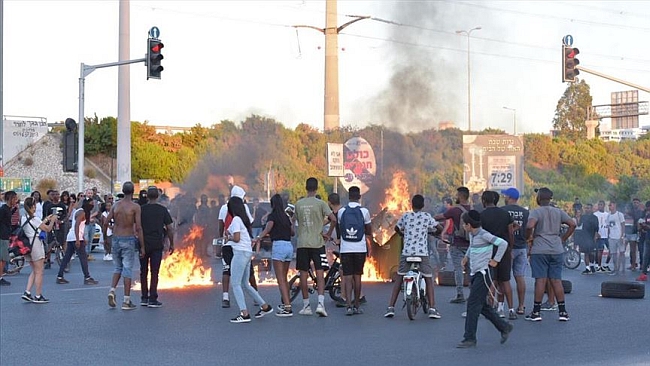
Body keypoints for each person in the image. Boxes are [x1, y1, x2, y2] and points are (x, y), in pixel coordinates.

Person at [456, 210, 513, 348]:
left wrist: (495, 260)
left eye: (464, 224)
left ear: (469, 225)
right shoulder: (473, 234)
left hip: (484, 273)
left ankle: (469, 338)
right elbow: (471, 246)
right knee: (482, 306)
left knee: (473, 305)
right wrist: (467, 257)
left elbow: (503, 244)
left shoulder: (484, 235)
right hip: (475, 273)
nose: (463, 226)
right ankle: (504, 327)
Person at [384, 194, 442, 319]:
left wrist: (402, 234)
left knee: (399, 278)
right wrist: (434, 232)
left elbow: (396, 228)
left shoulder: (406, 216)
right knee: (428, 278)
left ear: (411, 204)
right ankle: (432, 308)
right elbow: (439, 227)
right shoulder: (426, 216)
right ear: (423, 206)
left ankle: (390, 307)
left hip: (407, 253)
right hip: (422, 253)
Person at [524, 187, 575, 322]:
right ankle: (563, 312)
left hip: (540, 249)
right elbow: (572, 224)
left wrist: (528, 237)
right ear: (550, 199)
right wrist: (562, 238)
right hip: (556, 249)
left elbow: (530, 226)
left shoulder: (536, 212)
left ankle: (536, 312)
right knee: (556, 280)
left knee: (540, 280)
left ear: (539, 198)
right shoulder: (559, 212)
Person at [294, 177, 337, 317]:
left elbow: (294, 222)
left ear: (306, 188)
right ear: (316, 188)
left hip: (302, 244)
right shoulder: (321, 204)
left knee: (303, 274)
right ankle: (320, 304)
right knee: (320, 272)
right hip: (318, 243)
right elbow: (334, 219)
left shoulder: (298, 204)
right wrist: (328, 234)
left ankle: (306, 305)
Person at [227, 196, 273, 323]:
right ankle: (264, 306)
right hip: (247, 253)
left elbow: (236, 238)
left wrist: (228, 238)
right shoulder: (243, 219)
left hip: (240, 253)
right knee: (245, 284)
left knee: (236, 284)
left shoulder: (236, 219)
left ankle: (244, 313)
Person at [105, 182, 145, 310]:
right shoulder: (135, 207)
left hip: (116, 237)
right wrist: (142, 246)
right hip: (128, 238)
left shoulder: (116, 205)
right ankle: (126, 300)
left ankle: (112, 290)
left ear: (122, 190)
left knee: (117, 267)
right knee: (127, 269)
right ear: (133, 191)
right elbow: (138, 227)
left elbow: (105, 222)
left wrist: (106, 238)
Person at [253, 194, 294, 317]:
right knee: (285, 277)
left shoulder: (273, 216)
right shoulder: (287, 217)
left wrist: (259, 237)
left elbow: (268, 228)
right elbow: (292, 232)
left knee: (280, 279)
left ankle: (287, 307)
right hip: (288, 246)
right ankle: (286, 303)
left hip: (279, 246)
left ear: (272, 204)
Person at [479, 191, 515, 320]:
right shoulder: (505, 214)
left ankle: (491, 308)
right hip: (504, 250)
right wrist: (510, 248)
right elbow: (511, 233)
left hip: (488, 251)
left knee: (492, 281)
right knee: (505, 281)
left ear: (484, 200)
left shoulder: (481, 216)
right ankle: (510, 309)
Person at [337, 186, 372, 315]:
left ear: (348, 196)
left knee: (347, 277)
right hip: (360, 248)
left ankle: (348, 306)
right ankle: (357, 305)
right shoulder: (364, 212)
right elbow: (368, 230)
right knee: (357, 277)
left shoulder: (341, 212)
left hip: (346, 249)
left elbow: (341, 228)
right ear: (359, 197)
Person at [218, 185, 254, 308]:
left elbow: (220, 225)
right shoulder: (243, 207)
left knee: (226, 270)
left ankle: (225, 297)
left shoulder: (223, 208)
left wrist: (222, 240)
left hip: (228, 244)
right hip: (241, 245)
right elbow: (249, 223)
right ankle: (256, 296)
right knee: (249, 272)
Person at [434, 186, 472, 304]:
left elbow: (439, 217)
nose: (455, 197)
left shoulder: (455, 210)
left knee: (458, 269)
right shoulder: (473, 209)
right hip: (471, 245)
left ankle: (460, 294)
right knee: (471, 270)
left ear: (460, 196)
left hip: (457, 244)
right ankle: (473, 294)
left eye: (457, 195)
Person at [139, 186, 174, 308]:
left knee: (143, 271)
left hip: (143, 244)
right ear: (158, 196)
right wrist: (171, 243)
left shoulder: (141, 209)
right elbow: (170, 228)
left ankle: (144, 297)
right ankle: (153, 298)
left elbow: (137, 227)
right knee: (155, 272)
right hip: (157, 245)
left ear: (147, 196)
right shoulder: (162, 210)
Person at [21, 197, 57, 303]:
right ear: (32, 206)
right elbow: (47, 229)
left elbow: (36, 225)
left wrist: (46, 219)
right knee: (40, 271)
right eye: (34, 206)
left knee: (35, 270)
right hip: (35, 244)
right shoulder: (34, 219)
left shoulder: (24, 218)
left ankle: (27, 292)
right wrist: (52, 221)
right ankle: (38, 295)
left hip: (27, 244)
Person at [56, 198, 99, 286]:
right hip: (76, 237)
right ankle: (87, 277)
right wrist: (78, 239)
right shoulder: (82, 212)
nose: (92, 206)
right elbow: (76, 226)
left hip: (72, 237)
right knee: (83, 258)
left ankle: (60, 276)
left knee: (66, 258)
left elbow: (80, 226)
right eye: (91, 204)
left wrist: (82, 237)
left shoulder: (78, 211)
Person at [501, 187, 529, 316]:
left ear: (510, 197)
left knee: (503, 278)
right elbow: (529, 228)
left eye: (505, 196)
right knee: (520, 277)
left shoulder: (503, 211)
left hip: (507, 247)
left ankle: (501, 306)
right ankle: (521, 306)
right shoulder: (525, 212)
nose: (504, 198)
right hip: (522, 246)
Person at [0, 191, 19, 286]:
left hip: (5, 235)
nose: (16, 200)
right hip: (2, 236)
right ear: (10, 198)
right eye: (14, 198)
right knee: (3, 258)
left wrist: (14, 209)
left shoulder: (7, 209)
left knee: (4, 258)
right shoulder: (3, 209)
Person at [575, 204, 599, 274]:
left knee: (592, 252)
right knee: (586, 253)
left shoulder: (594, 217)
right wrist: (578, 218)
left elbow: (597, 228)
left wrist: (595, 236)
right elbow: (579, 224)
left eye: (588, 208)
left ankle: (592, 265)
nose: (586, 209)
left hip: (591, 236)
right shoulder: (583, 217)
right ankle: (587, 268)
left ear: (591, 209)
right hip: (584, 236)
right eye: (586, 208)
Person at [605, 201, 625, 275]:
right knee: (613, 254)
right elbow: (608, 227)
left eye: (611, 205)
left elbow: (623, 225)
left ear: (615, 205)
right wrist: (608, 236)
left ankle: (622, 268)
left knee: (622, 252)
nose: (609, 207)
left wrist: (622, 235)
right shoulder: (608, 215)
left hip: (619, 236)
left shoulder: (619, 214)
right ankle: (615, 268)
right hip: (612, 237)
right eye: (609, 205)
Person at [593, 200, 611, 272]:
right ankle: (599, 266)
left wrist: (610, 233)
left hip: (607, 235)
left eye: (601, 205)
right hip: (600, 235)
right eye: (599, 205)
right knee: (600, 251)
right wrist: (596, 233)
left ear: (604, 206)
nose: (600, 206)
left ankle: (606, 265)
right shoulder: (595, 214)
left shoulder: (607, 215)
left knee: (612, 250)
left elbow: (609, 225)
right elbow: (594, 225)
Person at [636, 201, 650, 281]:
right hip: (648, 238)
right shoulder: (647, 215)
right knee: (645, 257)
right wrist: (642, 226)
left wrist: (646, 226)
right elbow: (646, 226)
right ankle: (643, 274)